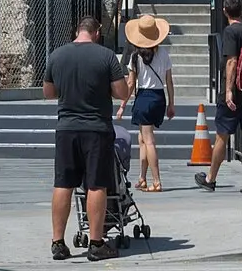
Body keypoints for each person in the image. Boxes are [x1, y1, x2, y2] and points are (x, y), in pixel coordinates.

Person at [43, 16, 129, 262]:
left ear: (77, 31)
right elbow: (121, 92)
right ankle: (96, 243)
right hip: (96, 129)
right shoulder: (106, 56)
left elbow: (48, 92)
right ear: (97, 32)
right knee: (96, 185)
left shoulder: (56, 55)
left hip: (66, 128)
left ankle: (58, 243)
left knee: (63, 183)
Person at [195, 0, 242, 194]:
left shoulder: (229, 32)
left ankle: (211, 178)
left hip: (234, 91)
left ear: (225, 11)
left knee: (222, 135)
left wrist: (228, 91)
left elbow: (232, 61)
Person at [116, 15, 175, 193]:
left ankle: (156, 181)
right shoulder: (163, 54)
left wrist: (122, 105)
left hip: (143, 97)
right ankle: (142, 177)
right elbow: (169, 81)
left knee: (148, 141)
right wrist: (171, 104)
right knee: (142, 138)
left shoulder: (135, 57)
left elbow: (130, 83)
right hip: (159, 97)